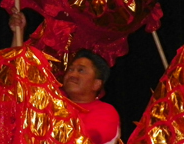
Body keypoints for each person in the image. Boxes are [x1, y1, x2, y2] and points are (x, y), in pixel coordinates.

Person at [9, 10, 121, 144]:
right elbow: (17, 84)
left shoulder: (105, 112)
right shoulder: (53, 104)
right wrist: (18, 33)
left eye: (81, 71)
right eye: (71, 69)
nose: (73, 74)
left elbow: (85, 138)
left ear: (97, 84)